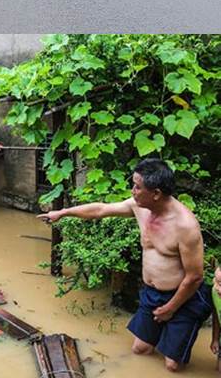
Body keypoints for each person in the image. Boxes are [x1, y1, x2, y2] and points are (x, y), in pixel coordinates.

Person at [39, 159, 209, 371]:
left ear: (156, 193)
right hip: (152, 293)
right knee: (141, 350)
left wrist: (170, 309)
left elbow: (195, 277)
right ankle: (167, 333)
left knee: (172, 366)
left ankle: (175, 335)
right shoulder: (140, 207)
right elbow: (101, 209)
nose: (133, 191)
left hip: (184, 299)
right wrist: (62, 213)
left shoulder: (185, 226)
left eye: (138, 187)